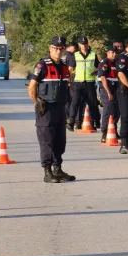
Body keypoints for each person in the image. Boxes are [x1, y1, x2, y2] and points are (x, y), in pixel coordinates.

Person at [28, 36, 76, 183]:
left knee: (60, 140)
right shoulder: (42, 65)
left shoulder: (63, 67)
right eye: (56, 48)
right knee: (47, 141)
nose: (58, 51)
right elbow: (32, 87)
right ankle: (47, 172)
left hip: (60, 108)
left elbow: (67, 87)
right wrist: (37, 102)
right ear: (50, 48)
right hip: (46, 108)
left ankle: (58, 169)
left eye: (61, 48)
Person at [67, 37, 101, 131]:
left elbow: (99, 67)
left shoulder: (93, 55)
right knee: (75, 103)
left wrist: (96, 72)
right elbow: (70, 69)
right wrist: (69, 81)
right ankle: (71, 121)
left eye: (85, 44)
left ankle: (94, 121)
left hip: (90, 82)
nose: (84, 46)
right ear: (79, 45)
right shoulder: (76, 55)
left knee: (93, 103)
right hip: (78, 83)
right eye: (82, 44)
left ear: (87, 44)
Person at [97, 45, 120, 143]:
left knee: (117, 111)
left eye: (115, 53)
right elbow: (103, 79)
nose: (114, 54)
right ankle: (104, 133)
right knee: (108, 110)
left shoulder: (116, 63)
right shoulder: (105, 63)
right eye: (112, 52)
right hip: (107, 88)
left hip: (116, 88)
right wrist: (108, 93)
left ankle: (113, 129)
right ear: (107, 53)